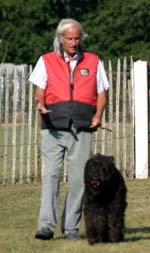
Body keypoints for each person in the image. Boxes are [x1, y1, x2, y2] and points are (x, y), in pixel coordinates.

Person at [29, 18, 109, 241]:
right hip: (53, 126)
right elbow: (39, 90)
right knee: (51, 175)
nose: (74, 42)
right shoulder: (46, 61)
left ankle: (70, 228)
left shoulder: (93, 61)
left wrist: (98, 115)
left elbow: (102, 91)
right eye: (69, 39)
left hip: (82, 127)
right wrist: (41, 105)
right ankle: (46, 226)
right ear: (60, 39)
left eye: (77, 38)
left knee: (78, 180)